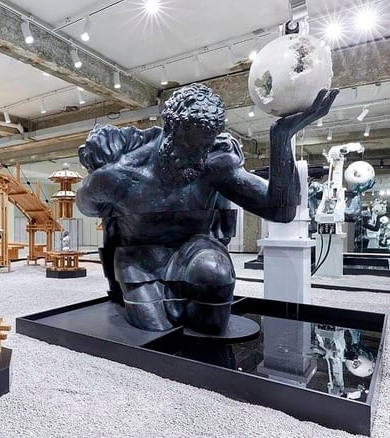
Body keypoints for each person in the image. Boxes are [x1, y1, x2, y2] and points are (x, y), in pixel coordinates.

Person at [77, 83, 338, 334]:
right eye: (190, 146)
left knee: (214, 288)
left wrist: (281, 138)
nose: (197, 157)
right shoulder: (120, 175)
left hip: (195, 250)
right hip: (140, 259)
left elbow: (280, 211)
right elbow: (86, 207)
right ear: (170, 129)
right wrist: (98, 174)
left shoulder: (213, 164)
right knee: (155, 329)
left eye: (204, 147)